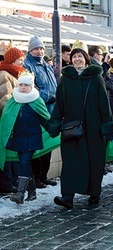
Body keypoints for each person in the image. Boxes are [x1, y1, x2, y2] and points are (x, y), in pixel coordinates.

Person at [47, 41, 113, 209]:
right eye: (74, 56)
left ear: (86, 59)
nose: (77, 59)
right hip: (72, 127)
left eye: (80, 56)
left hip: (93, 128)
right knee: (71, 161)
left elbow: (104, 103)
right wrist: (55, 122)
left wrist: (107, 125)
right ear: (70, 60)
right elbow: (60, 104)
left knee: (94, 161)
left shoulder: (96, 78)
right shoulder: (65, 79)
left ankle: (94, 194)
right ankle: (67, 197)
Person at [0, 71, 50, 204]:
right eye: (20, 84)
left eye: (26, 85)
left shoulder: (37, 101)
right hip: (18, 139)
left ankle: (20, 193)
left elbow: (45, 119)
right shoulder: (13, 101)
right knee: (25, 165)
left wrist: (55, 130)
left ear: (31, 86)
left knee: (24, 163)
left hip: (32, 138)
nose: (23, 87)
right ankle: (32, 192)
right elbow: (7, 120)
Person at [24, 35, 58, 189]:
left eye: (41, 48)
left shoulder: (46, 65)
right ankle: (36, 177)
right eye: (36, 48)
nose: (39, 51)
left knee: (47, 145)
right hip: (37, 111)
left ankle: (44, 176)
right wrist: (50, 96)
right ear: (30, 50)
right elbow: (31, 89)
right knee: (38, 146)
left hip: (50, 111)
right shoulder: (28, 65)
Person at [0, 46, 26, 193]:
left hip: (16, 119)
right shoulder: (4, 74)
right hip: (8, 120)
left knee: (14, 151)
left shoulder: (17, 74)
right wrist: (15, 112)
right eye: (19, 60)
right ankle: (7, 182)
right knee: (8, 152)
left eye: (22, 59)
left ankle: (13, 180)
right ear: (11, 60)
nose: (22, 62)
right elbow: (5, 99)